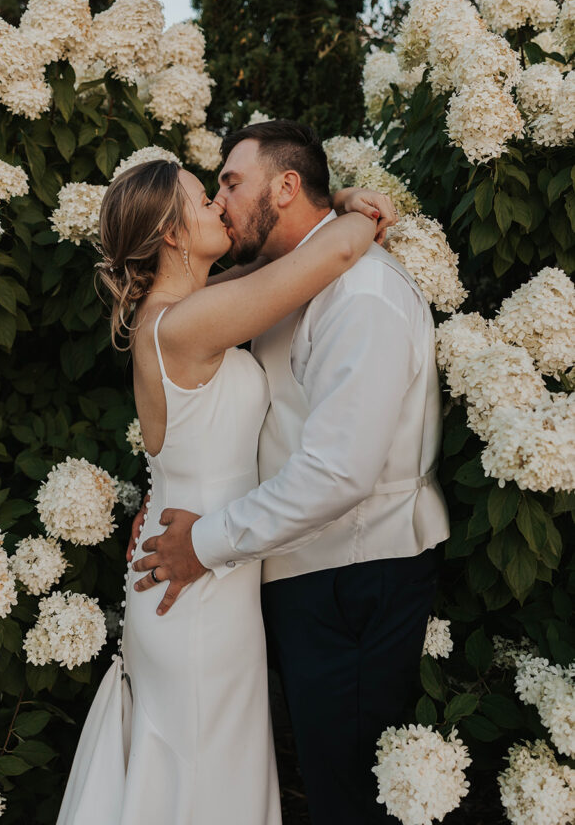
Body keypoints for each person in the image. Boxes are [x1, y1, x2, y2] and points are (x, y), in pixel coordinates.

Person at [55, 142, 396, 825]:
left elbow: (281, 259)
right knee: (209, 774)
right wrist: (362, 212)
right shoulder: (184, 324)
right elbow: (325, 259)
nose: (218, 201)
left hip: (198, 566)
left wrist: (338, 207)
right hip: (195, 587)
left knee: (209, 767)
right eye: (201, 196)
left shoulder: (187, 307)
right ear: (174, 235)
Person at [131, 120, 451, 825]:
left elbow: (339, 474)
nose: (220, 200)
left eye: (230, 182)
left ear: (284, 186)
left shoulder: (358, 295)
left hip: (352, 573)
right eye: (210, 190)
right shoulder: (264, 286)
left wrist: (202, 538)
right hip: (276, 570)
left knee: (347, 796)